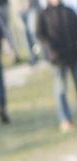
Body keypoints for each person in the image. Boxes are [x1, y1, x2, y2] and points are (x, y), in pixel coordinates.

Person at [35, 0, 77, 131]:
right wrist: (51, 49)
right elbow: (40, 34)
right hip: (57, 58)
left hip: (73, 55)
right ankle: (65, 119)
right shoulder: (43, 13)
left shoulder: (68, 11)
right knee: (61, 89)